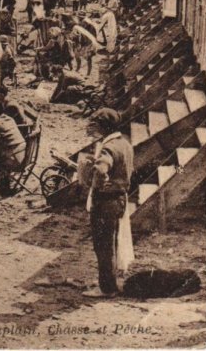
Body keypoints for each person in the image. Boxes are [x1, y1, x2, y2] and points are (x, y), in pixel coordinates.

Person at [80, 108, 133, 298]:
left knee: (102, 245)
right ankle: (109, 282)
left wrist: (96, 184)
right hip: (119, 198)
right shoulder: (125, 143)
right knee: (111, 243)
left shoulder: (108, 147)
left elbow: (102, 169)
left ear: (104, 127)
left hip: (106, 201)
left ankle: (107, 288)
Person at [0, 100, 27, 196]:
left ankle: (0, 186)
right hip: (23, 155)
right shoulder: (9, 119)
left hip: (13, 160)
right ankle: (2, 184)